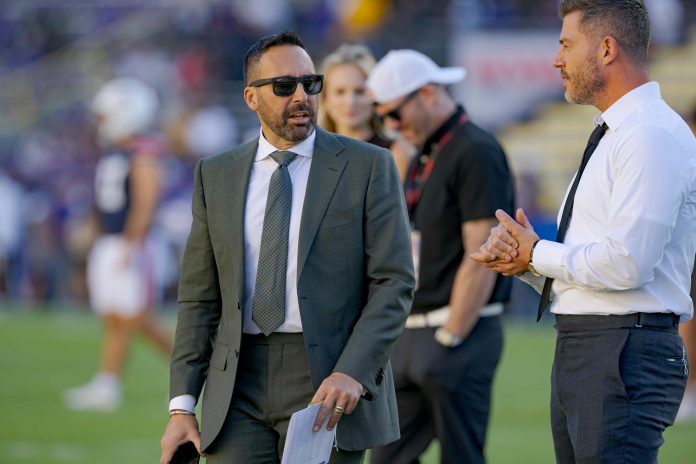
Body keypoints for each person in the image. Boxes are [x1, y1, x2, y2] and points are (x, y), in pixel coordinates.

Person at [159, 32, 414, 464]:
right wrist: (182, 405)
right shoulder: (215, 175)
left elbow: (394, 282)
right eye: (284, 86)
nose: (301, 96)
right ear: (251, 98)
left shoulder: (369, 165)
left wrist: (352, 371)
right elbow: (200, 298)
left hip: (328, 379)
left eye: (310, 84)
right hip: (238, 381)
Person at [471, 1, 696, 462]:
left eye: (566, 45)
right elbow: (595, 264)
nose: (557, 60)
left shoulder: (649, 135)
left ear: (607, 48)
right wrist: (526, 263)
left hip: (622, 349)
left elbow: (627, 264)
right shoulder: (619, 134)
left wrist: (538, 255)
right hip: (594, 344)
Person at [366, 49, 515, 464]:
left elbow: (482, 252)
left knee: (461, 457)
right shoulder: (425, 152)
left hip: (455, 333)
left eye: (394, 115)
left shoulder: (475, 149)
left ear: (427, 93)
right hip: (414, 333)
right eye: (382, 119)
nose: (391, 127)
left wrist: (450, 335)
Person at [63, 77, 173, 411]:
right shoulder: (116, 151)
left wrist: (130, 242)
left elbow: (145, 201)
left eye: (104, 114)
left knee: (135, 317)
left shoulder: (144, 150)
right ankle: (106, 384)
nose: (100, 122)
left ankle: (200, 372)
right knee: (116, 317)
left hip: (131, 243)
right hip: (111, 241)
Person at [318, 43, 415, 181]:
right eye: (340, 92)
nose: (350, 102)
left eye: (360, 91)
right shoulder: (312, 155)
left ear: (375, 96)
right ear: (325, 99)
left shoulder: (396, 154)